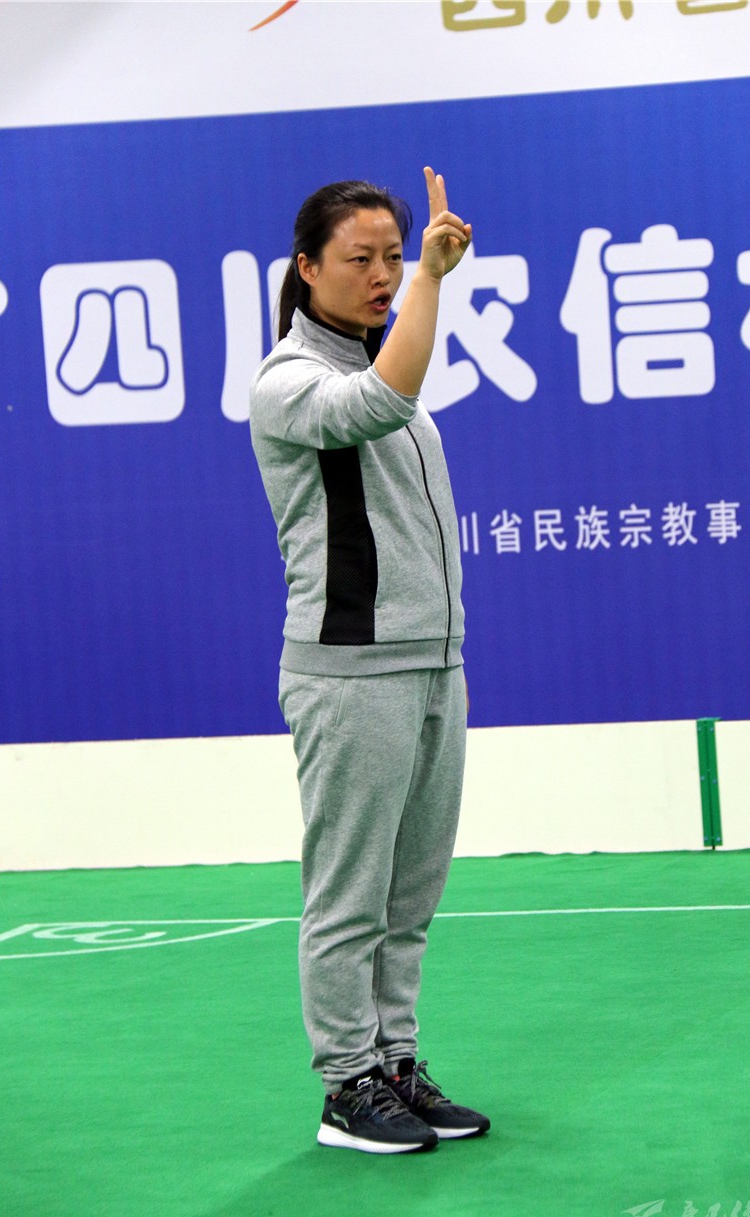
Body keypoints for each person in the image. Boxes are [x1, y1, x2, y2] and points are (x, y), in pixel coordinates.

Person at [249, 168, 490, 1154]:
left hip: (432, 662)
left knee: (410, 896)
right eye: (363, 258)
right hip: (351, 670)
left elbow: (391, 391)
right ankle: (346, 1087)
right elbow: (381, 400)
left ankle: (394, 1062)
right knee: (350, 899)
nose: (384, 274)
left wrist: (420, 283)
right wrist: (433, 279)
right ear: (308, 268)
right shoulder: (289, 382)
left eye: (395, 256)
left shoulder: (379, 371)